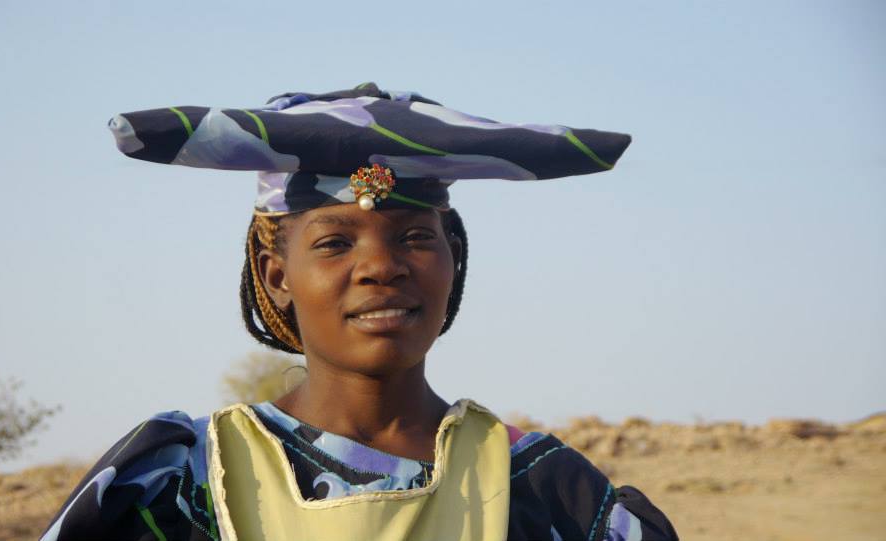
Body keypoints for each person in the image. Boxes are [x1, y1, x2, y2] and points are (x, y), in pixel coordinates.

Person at [41, 83, 678, 541]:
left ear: (452, 259)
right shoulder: (183, 485)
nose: (381, 266)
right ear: (277, 275)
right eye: (334, 242)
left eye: (416, 237)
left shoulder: (544, 491)